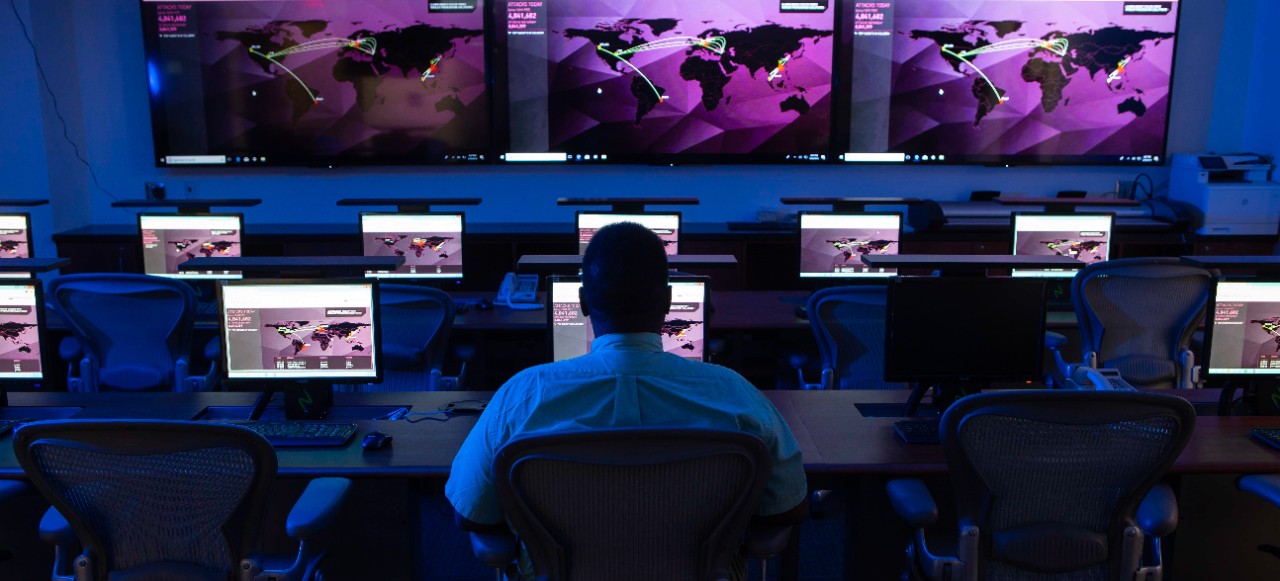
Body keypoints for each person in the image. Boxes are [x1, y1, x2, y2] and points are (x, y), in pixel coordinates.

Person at [445, 221, 808, 570]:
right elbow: (786, 507)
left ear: (584, 301)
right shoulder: (735, 392)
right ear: (668, 302)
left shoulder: (522, 395)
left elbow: (472, 513)